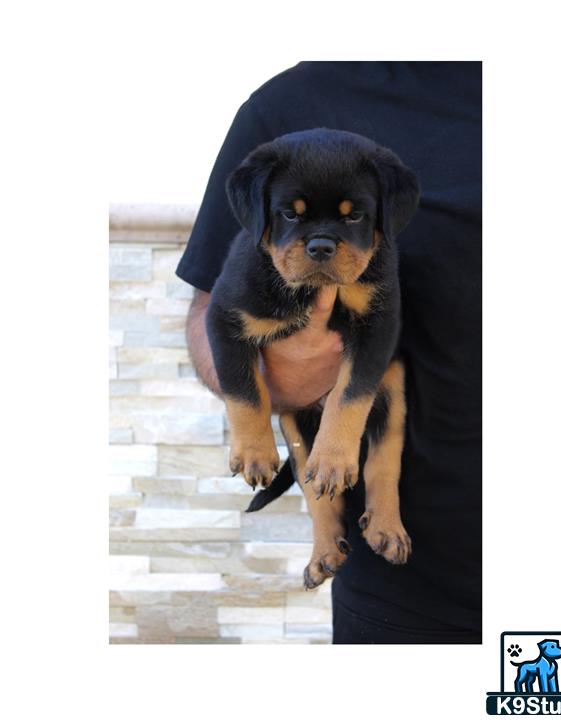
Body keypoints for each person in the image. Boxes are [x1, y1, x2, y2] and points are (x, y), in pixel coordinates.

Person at [177, 61, 482, 644]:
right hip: (410, 591)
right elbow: (214, 315)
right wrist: (265, 402)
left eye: (350, 222)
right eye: (292, 220)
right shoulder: (293, 102)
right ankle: (330, 528)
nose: (319, 243)